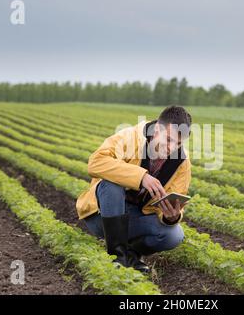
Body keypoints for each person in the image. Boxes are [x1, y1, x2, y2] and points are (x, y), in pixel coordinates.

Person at [76, 105, 192, 273]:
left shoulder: (182, 163)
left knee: (174, 235)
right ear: (157, 129)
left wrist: (171, 217)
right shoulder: (130, 137)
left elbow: (175, 199)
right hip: (101, 217)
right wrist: (141, 177)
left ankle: (131, 254)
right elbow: (95, 162)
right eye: (168, 140)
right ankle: (118, 257)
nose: (172, 148)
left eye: (178, 143)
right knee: (111, 184)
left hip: (135, 220)